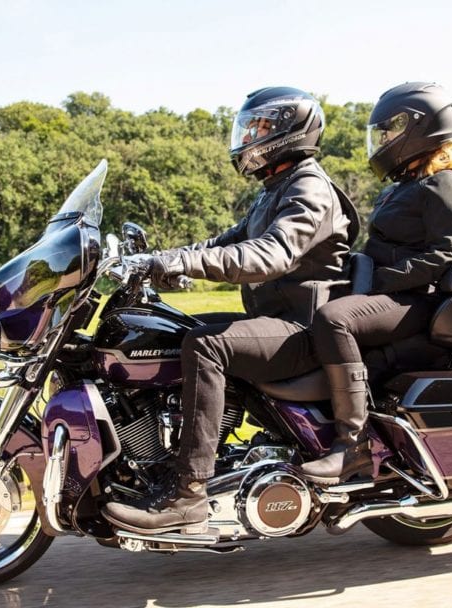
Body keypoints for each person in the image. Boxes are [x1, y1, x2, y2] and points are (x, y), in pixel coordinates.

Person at [102, 86, 360, 534]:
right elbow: (223, 243)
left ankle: (189, 494)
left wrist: (183, 263)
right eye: (250, 127)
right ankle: (162, 461)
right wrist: (157, 261)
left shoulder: (310, 188)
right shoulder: (275, 188)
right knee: (171, 331)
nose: (250, 137)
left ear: (289, 132)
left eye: (261, 127)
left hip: (302, 329)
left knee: (206, 346)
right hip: (274, 321)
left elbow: (269, 255)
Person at [299, 82, 452, 484]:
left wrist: (378, 282)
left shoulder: (446, 184)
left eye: (391, 129)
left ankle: (353, 444)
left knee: (335, 319)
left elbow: (442, 255)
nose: (384, 139)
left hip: (414, 300)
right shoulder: (406, 186)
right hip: (387, 294)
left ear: (421, 128)